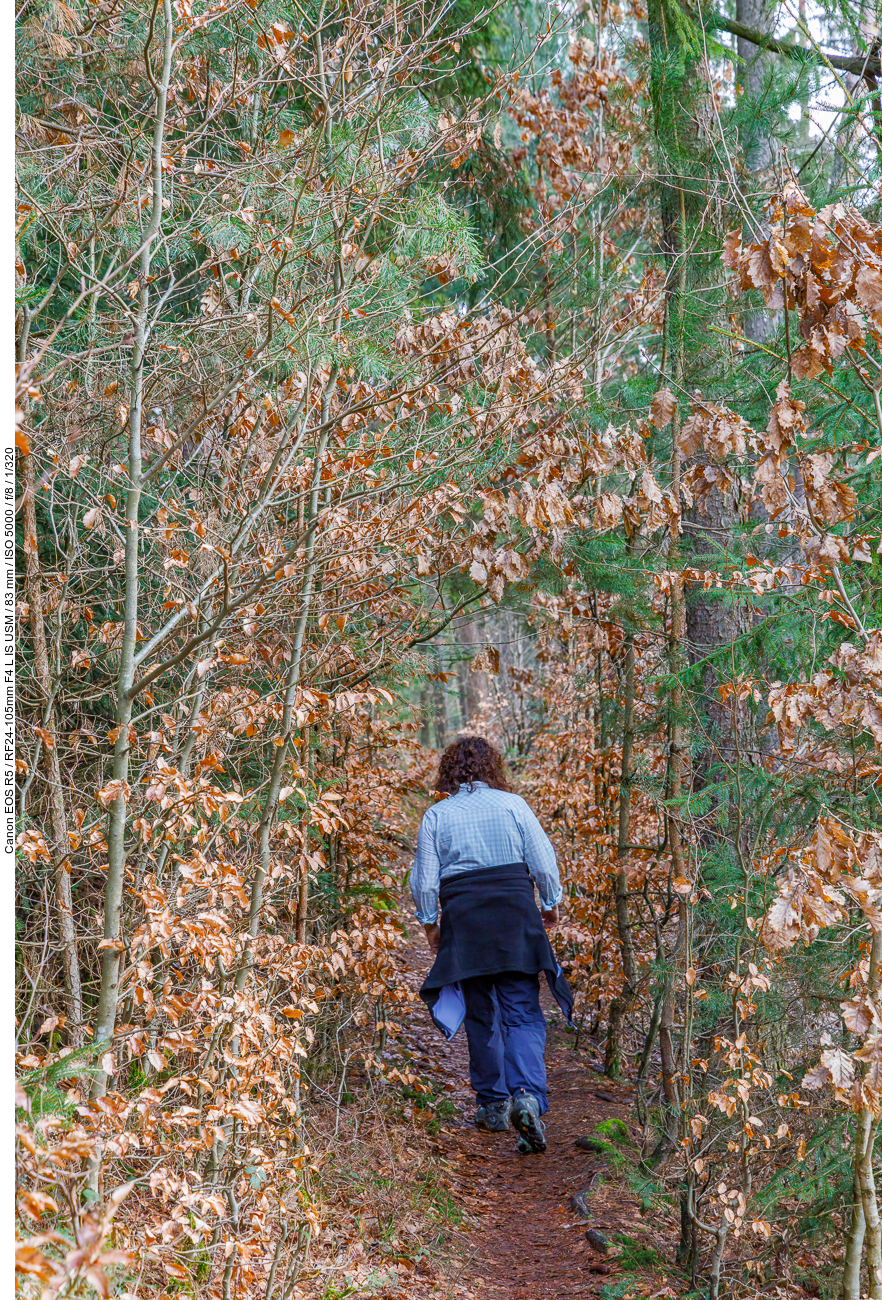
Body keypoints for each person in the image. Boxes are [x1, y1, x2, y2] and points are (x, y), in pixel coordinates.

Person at [412, 735, 573, 1154]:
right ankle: (528, 1096)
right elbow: (542, 860)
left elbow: (425, 882)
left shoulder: (436, 816)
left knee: (481, 1014)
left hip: (466, 923)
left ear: (449, 772)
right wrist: (551, 903)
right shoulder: (513, 804)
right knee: (522, 1012)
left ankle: (492, 1106)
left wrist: (431, 925)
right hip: (514, 916)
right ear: (492, 768)